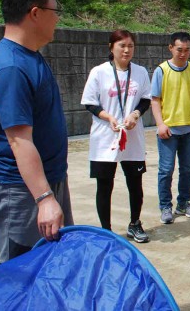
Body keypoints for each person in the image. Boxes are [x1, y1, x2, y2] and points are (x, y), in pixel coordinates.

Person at [0, 0, 73, 263]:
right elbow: (19, 141)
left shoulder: (28, 56)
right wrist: (44, 198)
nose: (57, 19)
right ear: (35, 13)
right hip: (20, 192)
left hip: (45, 181)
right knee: (21, 274)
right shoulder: (11, 68)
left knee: (50, 268)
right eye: (55, 11)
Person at [81, 30, 152, 243]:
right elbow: (90, 102)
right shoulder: (99, 72)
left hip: (132, 136)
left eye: (130, 46)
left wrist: (135, 114)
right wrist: (108, 117)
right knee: (104, 185)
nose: (127, 50)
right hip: (105, 137)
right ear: (111, 47)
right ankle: (107, 231)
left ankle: (135, 223)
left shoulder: (140, 72)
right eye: (122, 45)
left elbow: (146, 99)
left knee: (135, 183)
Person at [151, 32, 190, 225]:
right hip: (168, 130)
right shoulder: (161, 70)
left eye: (187, 50)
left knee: (187, 169)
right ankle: (165, 206)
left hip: (189, 129)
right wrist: (160, 124)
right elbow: (155, 100)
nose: (183, 54)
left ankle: (183, 203)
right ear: (171, 48)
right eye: (179, 49)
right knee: (166, 170)